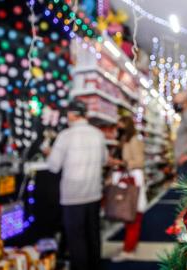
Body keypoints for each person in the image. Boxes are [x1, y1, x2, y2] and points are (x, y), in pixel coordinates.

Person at [46, 100, 107, 270]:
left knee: (76, 238)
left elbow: (53, 166)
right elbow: (104, 160)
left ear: (72, 114)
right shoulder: (98, 134)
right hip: (94, 193)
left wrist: (50, 153)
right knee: (93, 235)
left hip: (73, 196)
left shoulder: (65, 136)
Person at [111, 116, 147, 261]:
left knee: (133, 215)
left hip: (133, 181)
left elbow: (139, 161)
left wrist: (122, 162)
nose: (118, 127)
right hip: (127, 180)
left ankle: (129, 249)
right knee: (128, 214)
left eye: (120, 124)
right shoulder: (124, 139)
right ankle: (130, 244)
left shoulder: (133, 140)